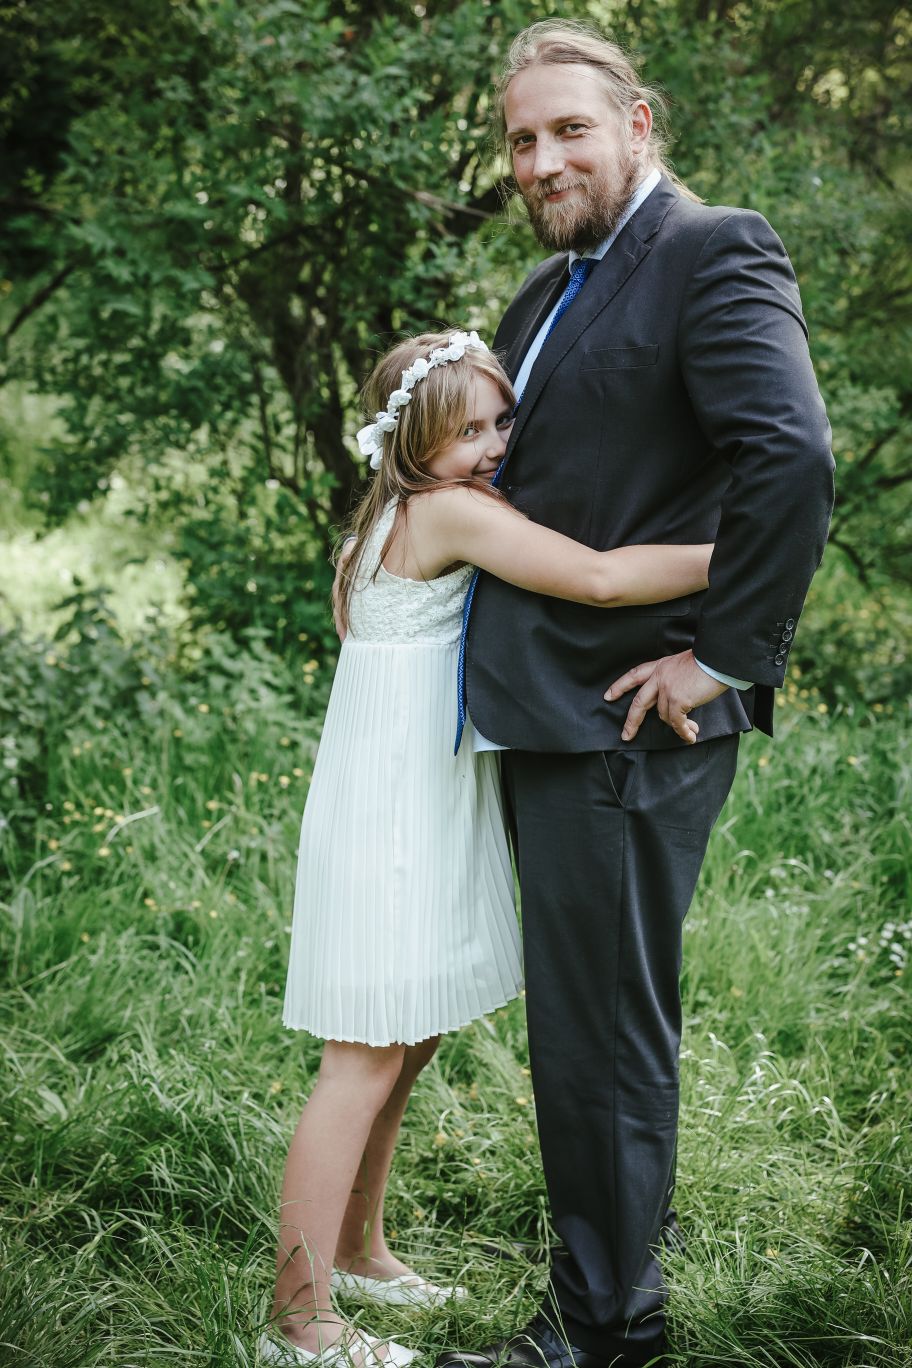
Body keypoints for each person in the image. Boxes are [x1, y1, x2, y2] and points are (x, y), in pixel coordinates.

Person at [432, 20, 835, 1368]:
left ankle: (601, 1332)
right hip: (541, 712)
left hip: (628, 715)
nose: (541, 160)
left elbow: (790, 457)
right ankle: (603, 1307)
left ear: (638, 122)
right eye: (521, 140)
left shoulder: (713, 250)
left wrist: (722, 658)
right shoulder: (544, 293)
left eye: (569, 130)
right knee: (580, 1025)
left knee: (600, 1036)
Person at [260, 328, 718, 1368]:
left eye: (503, 420)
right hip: (394, 802)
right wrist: (746, 553)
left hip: (413, 788)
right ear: (414, 442)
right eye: (466, 430)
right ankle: (299, 1317)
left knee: (409, 1034)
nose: (495, 445)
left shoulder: (398, 508)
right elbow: (596, 578)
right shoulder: (447, 509)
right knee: (363, 1055)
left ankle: (360, 1252)